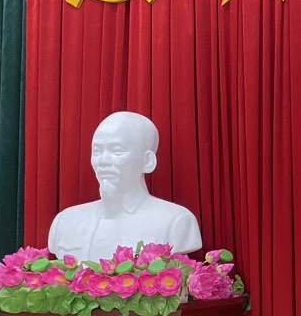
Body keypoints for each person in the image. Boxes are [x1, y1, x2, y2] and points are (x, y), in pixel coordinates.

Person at [47, 111, 202, 261]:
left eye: (117, 151)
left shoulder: (176, 222)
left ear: (147, 161)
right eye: (97, 151)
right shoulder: (65, 221)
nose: (103, 161)